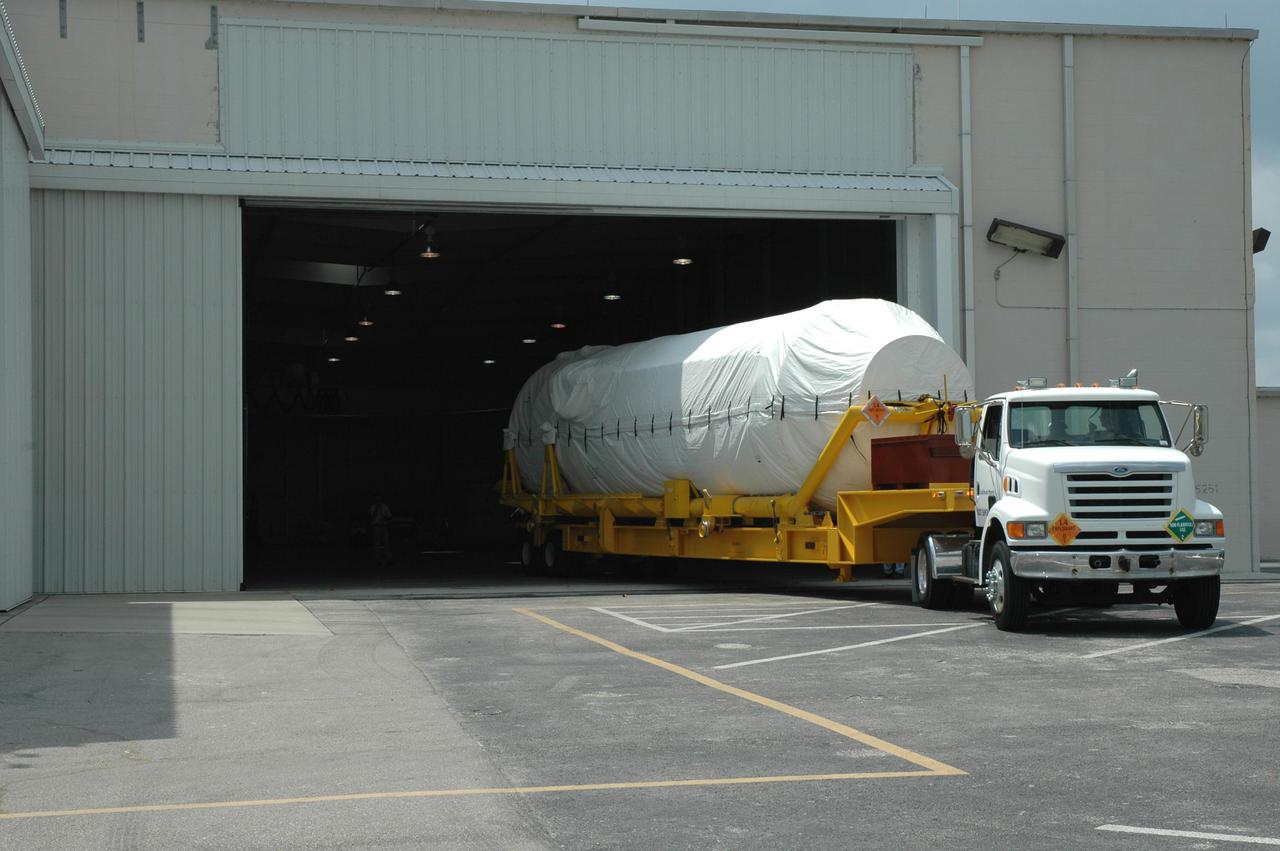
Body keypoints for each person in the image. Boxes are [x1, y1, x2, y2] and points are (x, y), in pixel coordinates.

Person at [369, 495, 393, 565]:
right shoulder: (373, 507)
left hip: (384, 526)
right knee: (377, 543)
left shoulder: (384, 506)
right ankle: (377, 559)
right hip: (376, 526)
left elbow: (389, 516)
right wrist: (377, 509)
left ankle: (388, 559)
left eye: (379, 498)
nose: (378, 500)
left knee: (386, 543)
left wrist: (385, 518)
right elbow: (372, 517)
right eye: (377, 498)